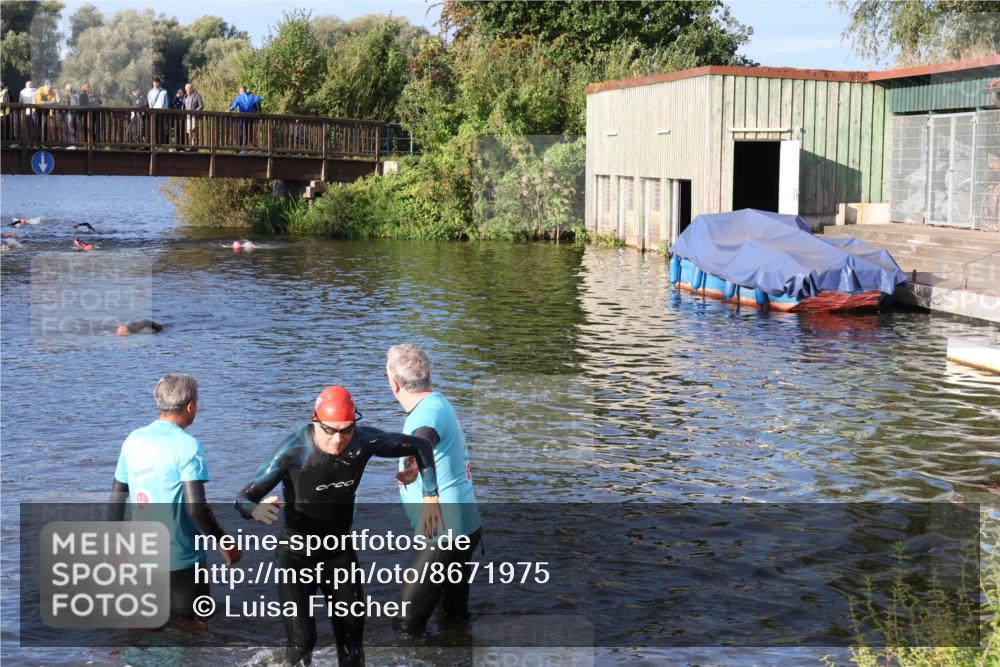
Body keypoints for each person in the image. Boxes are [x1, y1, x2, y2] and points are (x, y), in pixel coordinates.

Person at [235, 385, 443, 667]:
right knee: (302, 640)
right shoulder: (294, 449)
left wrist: (431, 496)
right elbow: (243, 498)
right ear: (315, 421)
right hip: (295, 556)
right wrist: (255, 510)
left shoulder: (363, 441)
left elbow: (421, 445)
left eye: (345, 430)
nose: (338, 439)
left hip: (339, 553)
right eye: (330, 430)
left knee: (353, 644)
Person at [109, 373, 241, 619]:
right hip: (182, 560)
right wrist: (226, 544)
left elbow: (117, 497)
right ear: (191, 406)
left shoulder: (133, 440)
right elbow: (197, 508)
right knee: (192, 634)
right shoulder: (188, 446)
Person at [386, 344, 482, 634]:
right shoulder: (435, 403)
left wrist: (426, 489)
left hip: (444, 534)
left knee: (405, 623)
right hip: (461, 527)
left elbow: (423, 441)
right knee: (453, 620)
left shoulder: (427, 414)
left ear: (394, 383)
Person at [228, 86, 263, 150]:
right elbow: (259, 99)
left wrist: (229, 108)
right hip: (251, 118)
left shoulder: (239, 98)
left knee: (241, 131)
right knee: (251, 131)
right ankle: (253, 146)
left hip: (242, 118)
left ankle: (241, 146)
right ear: (245, 91)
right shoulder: (252, 96)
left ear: (240, 91)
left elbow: (233, 107)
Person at [147, 77, 169, 145]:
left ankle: (162, 143)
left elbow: (166, 102)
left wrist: (164, 111)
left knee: (162, 127)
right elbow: (150, 103)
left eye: (157, 82)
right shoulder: (150, 92)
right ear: (153, 83)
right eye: (154, 83)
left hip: (162, 112)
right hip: (154, 112)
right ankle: (154, 142)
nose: (156, 84)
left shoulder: (164, 92)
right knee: (154, 127)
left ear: (159, 83)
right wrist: (151, 111)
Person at [182, 83, 204, 149]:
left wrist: (194, 112)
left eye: (188, 88)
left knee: (193, 130)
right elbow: (183, 106)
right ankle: (191, 145)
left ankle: (194, 146)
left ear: (191, 88)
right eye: (186, 89)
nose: (187, 90)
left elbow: (201, 105)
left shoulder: (197, 96)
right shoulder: (185, 96)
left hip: (194, 116)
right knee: (189, 131)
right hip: (187, 117)